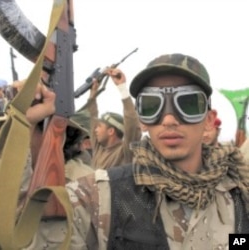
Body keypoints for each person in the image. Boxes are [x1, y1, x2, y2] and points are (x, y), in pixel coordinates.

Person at [24, 53, 249, 249]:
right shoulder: (101, 197)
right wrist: (24, 129)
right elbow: (37, 238)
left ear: (209, 121)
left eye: (188, 104)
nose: (169, 119)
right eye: (153, 106)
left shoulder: (240, 197)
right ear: (143, 121)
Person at [86, 67, 142, 169]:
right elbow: (92, 117)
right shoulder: (99, 148)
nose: (95, 129)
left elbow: (132, 124)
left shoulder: (125, 152)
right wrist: (93, 94)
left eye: (99, 126)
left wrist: (122, 87)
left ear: (111, 131)